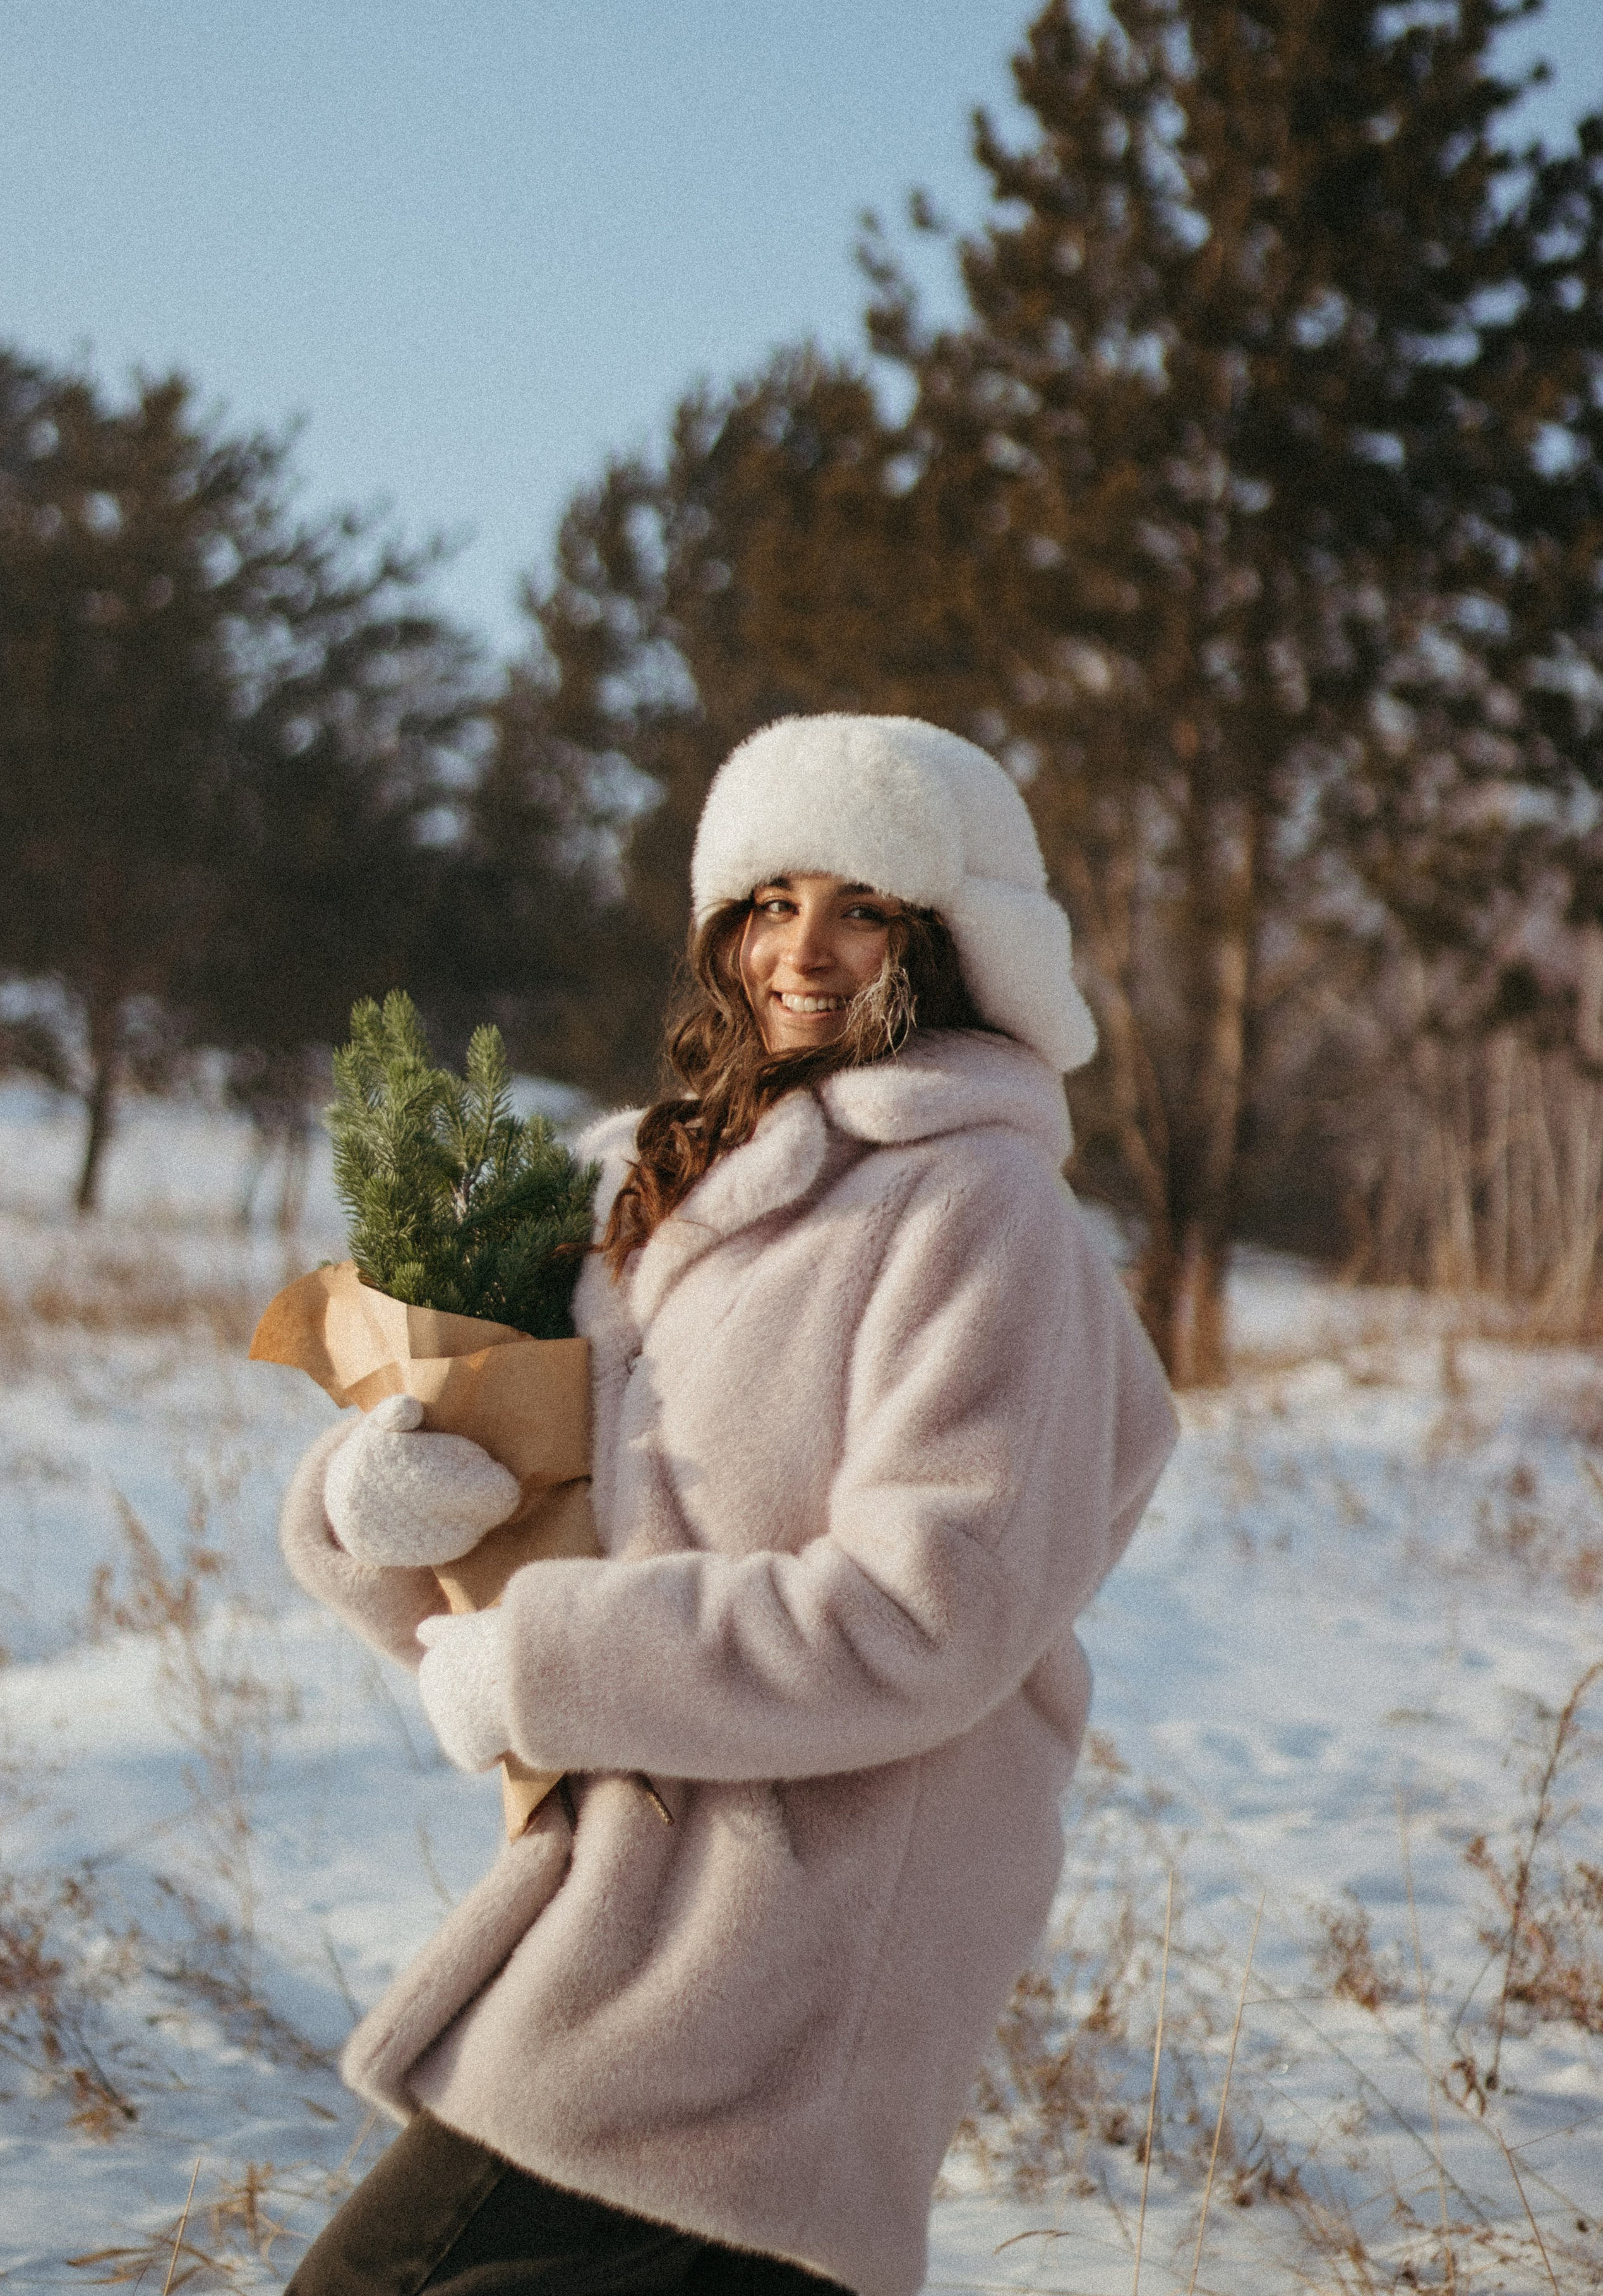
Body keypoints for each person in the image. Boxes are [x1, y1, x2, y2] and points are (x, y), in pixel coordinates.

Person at [281, 713, 1177, 2296]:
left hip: (790, 1951)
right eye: (768, 904)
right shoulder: (649, 1173)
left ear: (952, 943)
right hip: (621, 1915)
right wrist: (384, 1504)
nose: (805, 951)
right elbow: (533, 1487)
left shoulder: (978, 1214)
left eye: (863, 908)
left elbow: (924, 1613)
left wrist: (545, 1663)